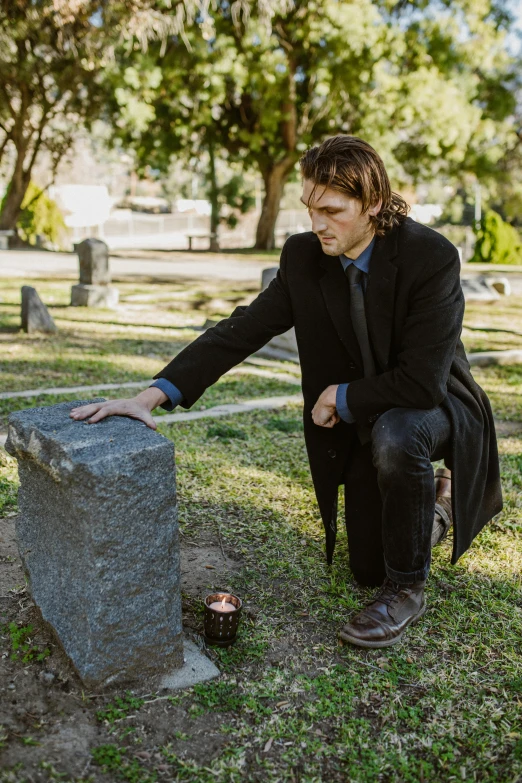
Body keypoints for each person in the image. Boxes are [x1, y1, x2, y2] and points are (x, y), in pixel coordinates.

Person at [70, 136, 502, 649]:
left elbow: (420, 382)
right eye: (310, 208)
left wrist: (338, 397)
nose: (317, 224)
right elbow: (244, 328)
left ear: (374, 205)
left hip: (433, 405)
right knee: (365, 568)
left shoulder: (430, 256)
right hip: (369, 411)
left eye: (332, 211)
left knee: (396, 433)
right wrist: (151, 396)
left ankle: (408, 589)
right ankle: (435, 508)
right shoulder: (304, 256)